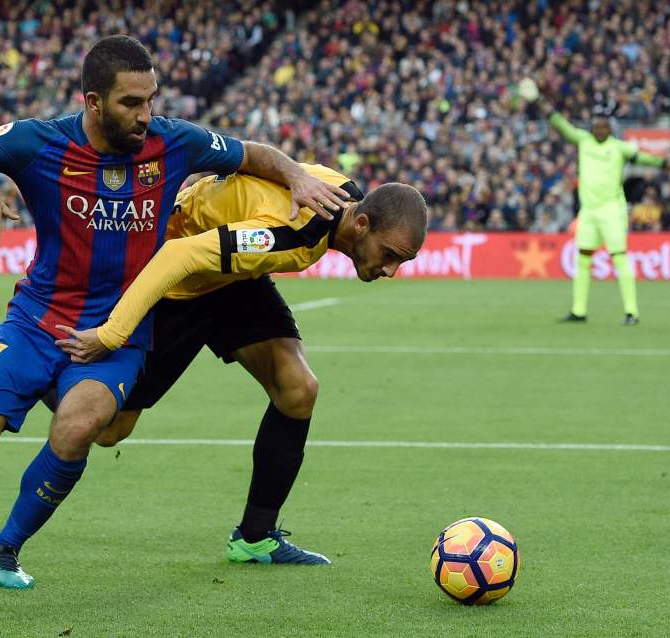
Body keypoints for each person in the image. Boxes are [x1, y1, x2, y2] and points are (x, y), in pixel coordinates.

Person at [0, 35, 348, 589]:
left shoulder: (174, 142)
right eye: (131, 103)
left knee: (81, 426)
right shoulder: (39, 141)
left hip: (117, 329)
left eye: (151, 99)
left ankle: (5, 550)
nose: (145, 115)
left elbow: (251, 153)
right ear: (93, 102)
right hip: (36, 319)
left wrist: (297, 176)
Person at [52, 166, 428, 565]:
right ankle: (39, 370)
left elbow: (260, 165)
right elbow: (180, 254)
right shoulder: (291, 235)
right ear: (362, 222)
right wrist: (111, 334)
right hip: (178, 280)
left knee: (298, 390)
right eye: (389, 255)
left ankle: (255, 537)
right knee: (110, 430)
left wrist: (208, 174)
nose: (390, 270)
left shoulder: (340, 190)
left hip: (231, 276)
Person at [535, 95, 670, 325]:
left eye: (604, 126)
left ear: (610, 128)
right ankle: (579, 310)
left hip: (611, 211)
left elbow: (650, 160)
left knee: (619, 258)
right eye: (597, 125)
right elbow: (559, 123)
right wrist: (539, 99)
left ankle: (632, 311)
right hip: (588, 212)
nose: (599, 129)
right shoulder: (583, 141)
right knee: (583, 259)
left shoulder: (620, 148)